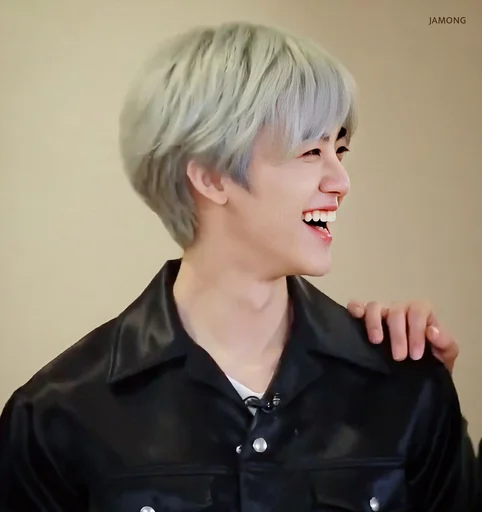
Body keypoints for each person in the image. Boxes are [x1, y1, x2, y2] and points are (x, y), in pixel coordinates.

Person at [0, 22, 478, 511]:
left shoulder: (407, 385)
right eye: (311, 151)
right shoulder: (56, 415)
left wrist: (429, 387)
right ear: (211, 177)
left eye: (340, 149)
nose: (341, 181)